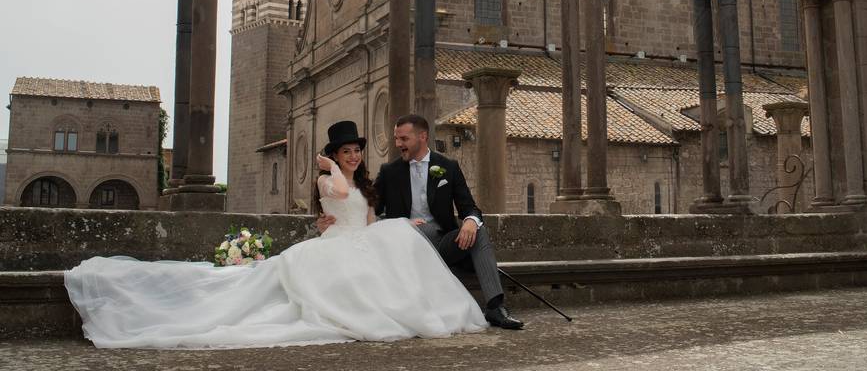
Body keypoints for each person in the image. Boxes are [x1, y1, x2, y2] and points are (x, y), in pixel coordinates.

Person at [63, 120, 487, 349]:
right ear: (334, 155)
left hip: (361, 241)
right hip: (336, 245)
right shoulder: (330, 181)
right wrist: (331, 168)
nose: (354, 156)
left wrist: (391, 228)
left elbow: (372, 220)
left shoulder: (366, 182)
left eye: (357, 151)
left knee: (395, 248)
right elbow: (338, 194)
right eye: (347, 152)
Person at [318, 114, 524, 330]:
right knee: (417, 230)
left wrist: (471, 221)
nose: (398, 144)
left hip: (442, 243)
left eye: (404, 139)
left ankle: (495, 306)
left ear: (422, 137)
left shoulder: (448, 167)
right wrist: (330, 222)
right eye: (396, 139)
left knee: (479, 230)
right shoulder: (390, 172)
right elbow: (366, 206)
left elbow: (469, 207)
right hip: (406, 244)